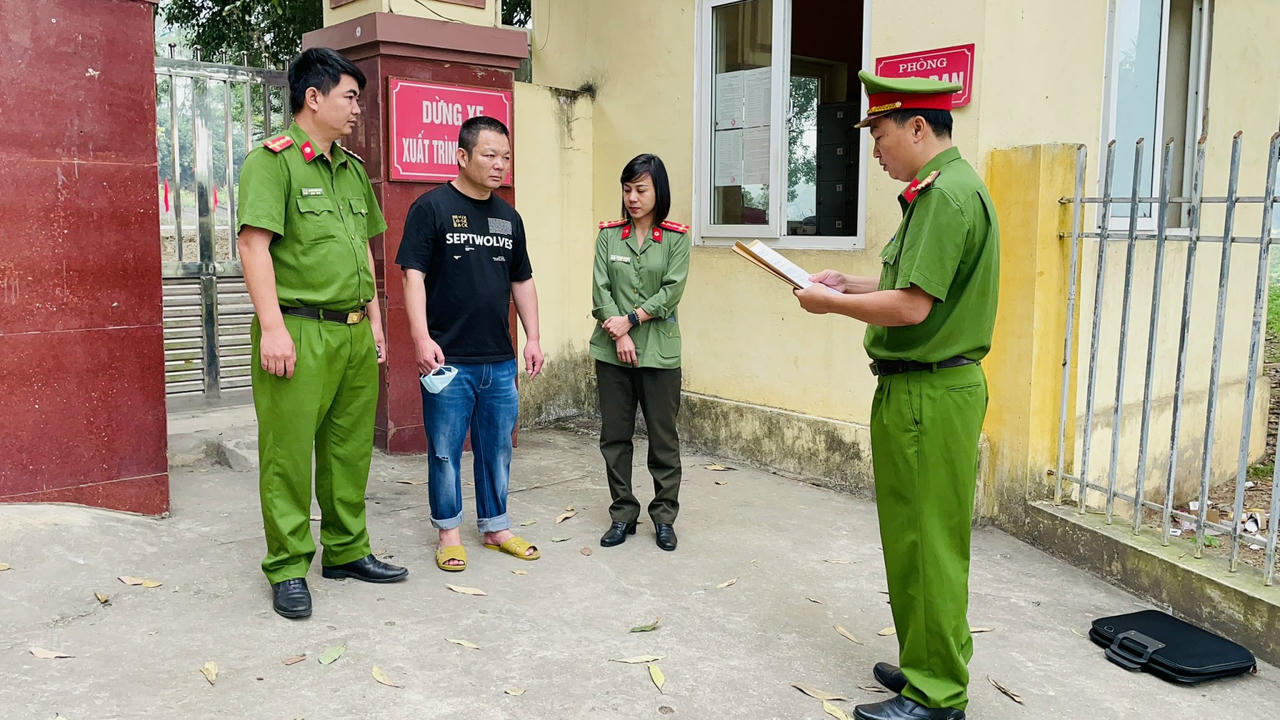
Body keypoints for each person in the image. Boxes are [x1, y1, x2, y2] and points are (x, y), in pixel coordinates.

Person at [793, 72, 999, 720]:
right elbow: (911, 286)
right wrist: (847, 283)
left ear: (916, 128)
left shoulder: (945, 197)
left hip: (928, 394)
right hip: (923, 390)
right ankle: (924, 665)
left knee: (928, 544)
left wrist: (828, 305)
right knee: (914, 539)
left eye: (879, 136)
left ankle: (938, 694)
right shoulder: (944, 190)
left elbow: (912, 308)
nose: (875, 151)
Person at [237, 48, 408, 621]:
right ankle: (288, 566)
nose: (358, 108)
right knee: (287, 454)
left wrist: (376, 322)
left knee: (348, 450)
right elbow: (253, 246)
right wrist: (272, 329)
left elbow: (364, 250)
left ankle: (346, 550)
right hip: (299, 330)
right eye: (350, 96)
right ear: (313, 98)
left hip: (354, 332)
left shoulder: (352, 170)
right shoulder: (272, 162)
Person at [397, 115, 544, 572]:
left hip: (498, 359)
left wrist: (533, 337)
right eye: (490, 155)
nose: (500, 164)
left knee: (497, 447)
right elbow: (412, 276)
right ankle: (449, 533)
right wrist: (420, 338)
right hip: (447, 359)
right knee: (444, 450)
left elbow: (522, 280)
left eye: (506, 157)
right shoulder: (431, 208)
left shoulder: (509, 217)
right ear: (462, 156)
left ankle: (496, 527)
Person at [590, 154, 690, 551]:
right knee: (615, 437)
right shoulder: (609, 236)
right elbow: (601, 290)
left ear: (658, 191)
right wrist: (618, 333)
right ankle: (623, 513)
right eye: (627, 189)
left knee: (663, 440)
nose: (632, 198)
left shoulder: (676, 239)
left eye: (641, 190)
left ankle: (664, 517)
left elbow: (671, 291)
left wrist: (630, 320)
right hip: (611, 351)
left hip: (659, 353)